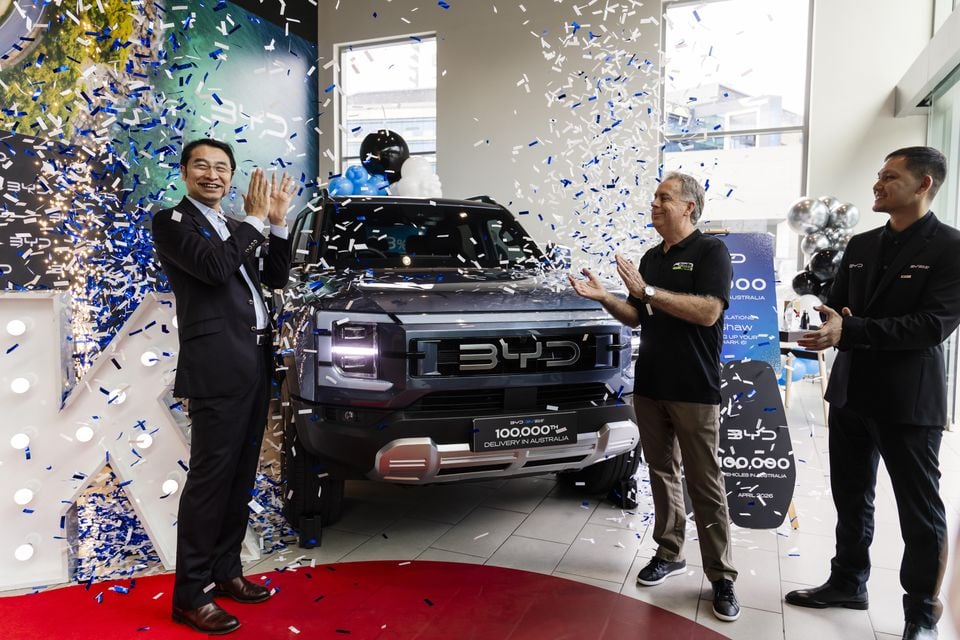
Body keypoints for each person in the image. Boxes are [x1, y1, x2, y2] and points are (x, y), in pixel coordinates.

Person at [786, 147, 960, 640]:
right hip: (851, 392)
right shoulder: (861, 245)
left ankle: (921, 613)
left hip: (908, 400)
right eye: (878, 175)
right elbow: (840, 308)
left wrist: (853, 328)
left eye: (890, 176)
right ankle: (847, 582)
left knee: (919, 510)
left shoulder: (952, 247)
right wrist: (827, 325)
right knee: (850, 496)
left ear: (924, 184)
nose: (877, 184)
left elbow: (931, 326)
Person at [569, 171, 740, 622]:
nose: (655, 204)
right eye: (654, 198)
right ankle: (669, 552)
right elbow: (637, 316)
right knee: (662, 472)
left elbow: (708, 312)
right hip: (650, 385)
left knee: (705, 482)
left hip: (694, 388)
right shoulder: (651, 256)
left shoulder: (711, 251)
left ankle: (722, 575)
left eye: (664, 198)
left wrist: (647, 291)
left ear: (689, 207)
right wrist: (605, 296)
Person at [152, 138, 296, 635]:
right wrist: (254, 221)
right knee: (210, 480)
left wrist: (276, 221)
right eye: (202, 166)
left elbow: (276, 277)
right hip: (215, 365)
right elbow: (214, 270)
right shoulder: (171, 223)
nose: (212, 174)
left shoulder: (238, 227)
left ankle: (226, 570)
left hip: (255, 362)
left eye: (221, 167)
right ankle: (191, 595)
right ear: (185, 172)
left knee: (239, 475)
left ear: (231, 176)